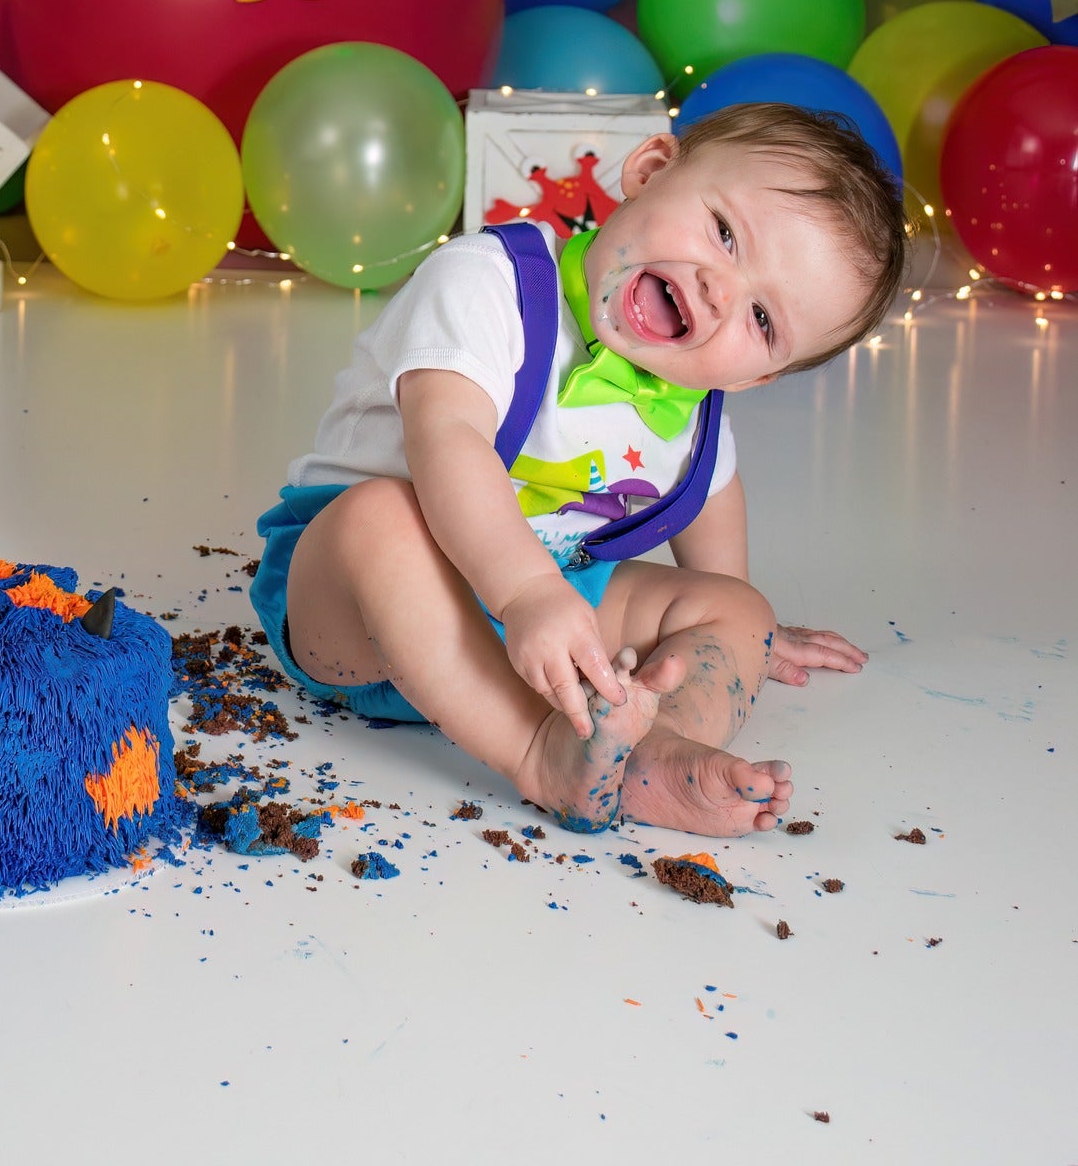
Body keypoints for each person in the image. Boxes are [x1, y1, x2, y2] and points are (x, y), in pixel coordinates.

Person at [250, 104, 910, 837]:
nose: (722, 289)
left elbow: (713, 498)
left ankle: (650, 752)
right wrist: (525, 590)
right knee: (382, 518)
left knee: (738, 610)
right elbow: (448, 436)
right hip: (354, 611)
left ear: (758, 376)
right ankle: (539, 754)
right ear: (649, 171)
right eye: (723, 234)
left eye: (762, 319)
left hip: (543, 623)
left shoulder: (691, 402)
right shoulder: (487, 282)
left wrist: (738, 630)